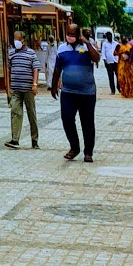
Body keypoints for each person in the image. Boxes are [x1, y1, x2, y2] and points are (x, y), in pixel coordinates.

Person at [51, 21, 98, 162]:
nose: (70, 37)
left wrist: (88, 43)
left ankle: (88, 152)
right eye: (68, 34)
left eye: (73, 34)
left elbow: (97, 59)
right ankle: (74, 147)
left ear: (79, 35)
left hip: (87, 92)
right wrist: (53, 86)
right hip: (68, 92)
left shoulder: (87, 47)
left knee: (87, 122)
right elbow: (58, 68)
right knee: (67, 118)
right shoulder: (61, 49)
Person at [4, 30, 39, 149]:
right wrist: (8, 88)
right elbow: (8, 70)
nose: (16, 42)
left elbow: (35, 68)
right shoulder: (11, 53)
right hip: (16, 89)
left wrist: (35, 84)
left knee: (31, 114)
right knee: (15, 112)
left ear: (23, 40)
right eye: (14, 39)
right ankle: (15, 140)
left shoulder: (31, 53)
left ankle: (34, 140)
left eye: (18, 39)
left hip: (28, 89)